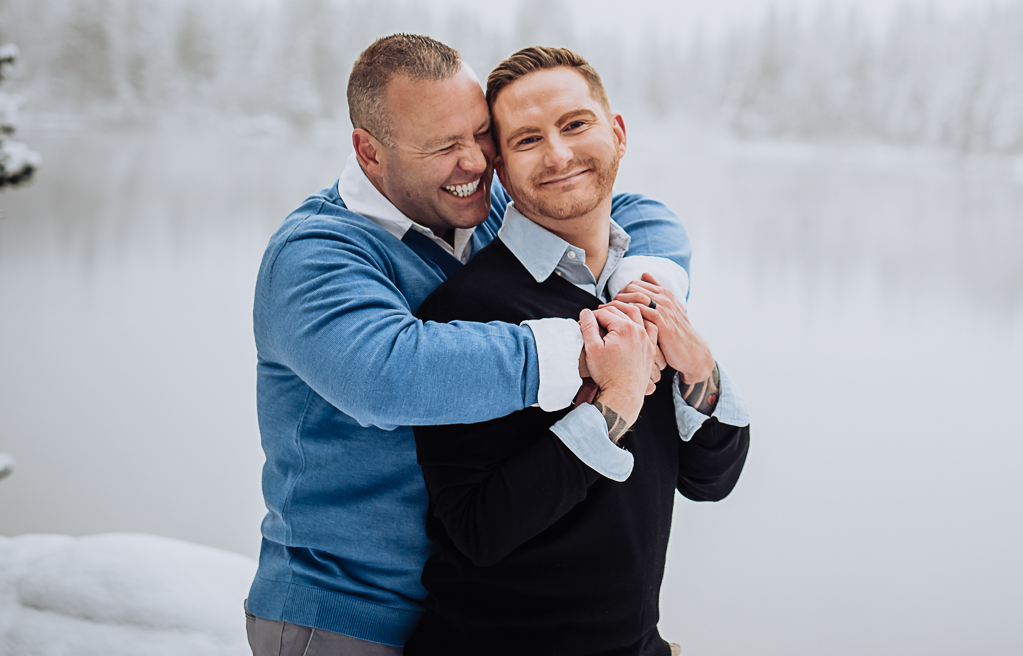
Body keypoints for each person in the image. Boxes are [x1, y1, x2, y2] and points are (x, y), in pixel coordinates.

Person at [246, 34, 693, 656]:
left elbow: (632, 209)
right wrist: (593, 350)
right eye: (442, 146)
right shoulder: (315, 254)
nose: (476, 162)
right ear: (369, 152)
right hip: (347, 610)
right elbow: (390, 375)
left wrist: (643, 290)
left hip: (466, 605)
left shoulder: (478, 206)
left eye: (481, 134)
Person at [404, 47, 750, 656]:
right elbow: (479, 529)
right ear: (501, 170)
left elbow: (710, 480)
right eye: (528, 139)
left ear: (618, 134)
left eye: (575, 124)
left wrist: (702, 369)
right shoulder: (464, 311)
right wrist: (614, 402)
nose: (559, 154)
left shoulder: (640, 290)